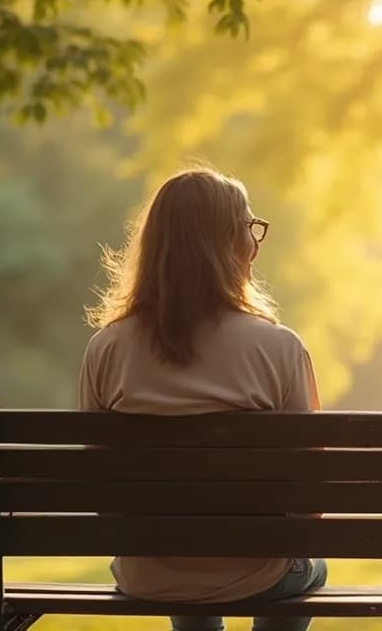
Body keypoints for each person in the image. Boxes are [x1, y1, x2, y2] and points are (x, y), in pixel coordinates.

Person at [79, 167, 326, 631]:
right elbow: (310, 497)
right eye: (250, 230)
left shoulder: (106, 349)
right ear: (229, 246)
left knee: (184, 562)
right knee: (306, 565)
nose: (255, 245)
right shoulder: (278, 348)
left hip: (147, 573)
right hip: (255, 572)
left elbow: (100, 489)